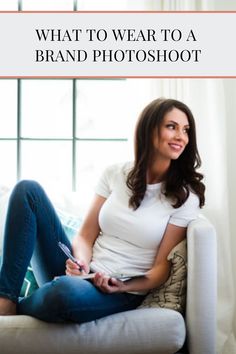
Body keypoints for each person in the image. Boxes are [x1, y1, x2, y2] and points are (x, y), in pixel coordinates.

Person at [0, 97, 205, 323]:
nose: (181, 137)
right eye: (171, 127)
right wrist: (81, 263)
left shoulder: (185, 197)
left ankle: (19, 308)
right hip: (83, 273)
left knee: (65, 292)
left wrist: (121, 286)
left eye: (186, 130)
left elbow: (160, 270)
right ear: (149, 129)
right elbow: (86, 236)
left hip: (117, 291)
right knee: (27, 190)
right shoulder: (115, 173)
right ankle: (5, 300)